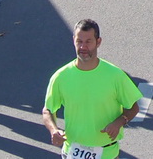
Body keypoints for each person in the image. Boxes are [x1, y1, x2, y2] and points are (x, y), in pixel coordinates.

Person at [43, 20, 141, 151]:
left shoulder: (115, 75)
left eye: (88, 41)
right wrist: (53, 130)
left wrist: (119, 122)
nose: (83, 47)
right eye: (79, 41)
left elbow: (133, 107)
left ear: (98, 42)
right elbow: (48, 110)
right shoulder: (61, 76)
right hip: (73, 150)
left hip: (106, 151)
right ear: (73, 40)